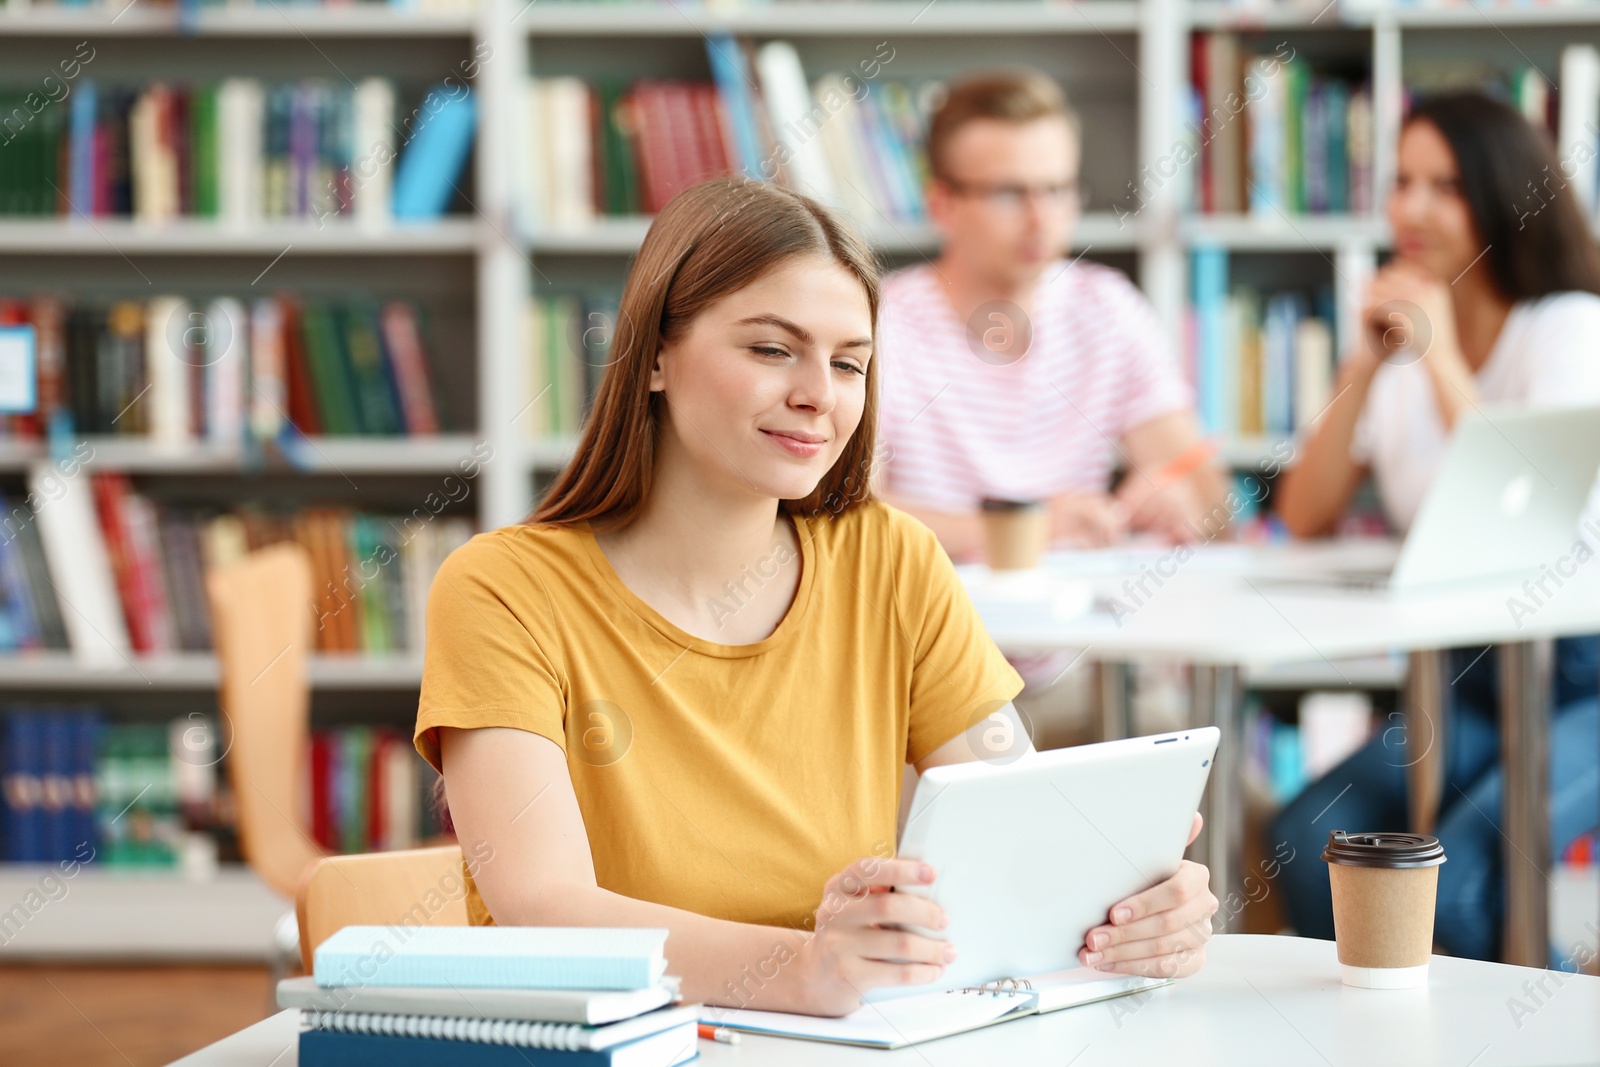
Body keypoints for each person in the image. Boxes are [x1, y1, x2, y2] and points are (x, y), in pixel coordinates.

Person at [413, 177, 1218, 1017]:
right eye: (771, 349)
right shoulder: (502, 589)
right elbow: (542, 909)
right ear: (652, 354)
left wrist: (1136, 908)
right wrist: (806, 968)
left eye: (849, 363)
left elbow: (1020, 833)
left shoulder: (890, 558)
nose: (819, 395)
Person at [1271, 90, 1600, 962]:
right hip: (1470, 678)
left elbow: (1532, 504)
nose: (1412, 209)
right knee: (1308, 842)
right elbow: (1305, 513)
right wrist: (1363, 362)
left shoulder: (1567, 326)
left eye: (1444, 186)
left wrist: (1442, 357)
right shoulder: (1405, 348)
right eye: (1402, 181)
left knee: (1460, 882)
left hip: (1582, 675)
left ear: (1501, 195)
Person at [873, 70, 1230, 560]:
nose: (1042, 218)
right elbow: (854, 515)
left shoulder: (1108, 308)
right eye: (1008, 193)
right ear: (942, 204)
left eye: (1058, 190)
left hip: (1075, 625)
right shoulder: (877, 322)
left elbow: (1211, 501)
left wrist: (1183, 501)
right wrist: (1033, 529)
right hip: (926, 624)